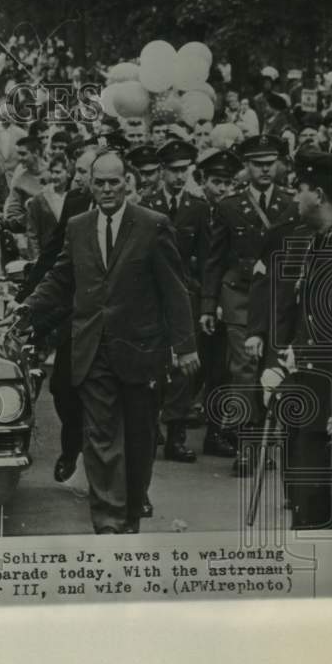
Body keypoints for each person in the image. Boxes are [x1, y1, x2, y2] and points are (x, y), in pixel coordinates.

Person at [15, 149, 199, 533]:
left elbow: (174, 290)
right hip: (92, 349)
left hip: (141, 350)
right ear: (91, 185)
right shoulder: (79, 226)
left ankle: (131, 510)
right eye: (100, 182)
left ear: (127, 183)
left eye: (115, 181)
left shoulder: (153, 225)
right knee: (99, 437)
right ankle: (109, 521)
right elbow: (61, 278)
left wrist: (185, 346)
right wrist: (27, 310)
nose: (107, 189)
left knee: (138, 440)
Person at [202, 133, 296, 473]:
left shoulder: (290, 204)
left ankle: (269, 442)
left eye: (270, 164)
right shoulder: (229, 206)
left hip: (278, 298)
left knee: (272, 368)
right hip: (239, 294)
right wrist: (208, 304)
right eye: (258, 164)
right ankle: (246, 445)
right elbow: (214, 260)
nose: (265, 170)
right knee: (243, 370)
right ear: (247, 167)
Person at [273, 149, 332, 529]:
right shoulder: (319, 240)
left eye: (298, 188)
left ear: (317, 193)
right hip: (311, 389)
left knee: (323, 509)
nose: (294, 197)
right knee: (308, 502)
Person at [141, 140, 210, 462]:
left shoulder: (198, 207)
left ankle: (177, 436)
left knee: (187, 365)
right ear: (162, 171)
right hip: (152, 296)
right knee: (154, 360)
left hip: (185, 294)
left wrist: (205, 297)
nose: (180, 177)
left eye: (185, 170)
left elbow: (208, 257)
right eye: (174, 171)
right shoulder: (146, 204)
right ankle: (151, 425)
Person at [193, 149, 240, 458]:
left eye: (227, 183)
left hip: (219, 299)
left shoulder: (234, 210)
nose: (222, 189)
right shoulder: (195, 210)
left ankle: (215, 430)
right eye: (216, 182)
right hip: (192, 294)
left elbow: (227, 260)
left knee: (218, 369)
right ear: (202, 181)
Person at [24, 154, 69, 260]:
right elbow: (32, 233)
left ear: (68, 173)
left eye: (58, 172)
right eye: (52, 172)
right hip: (47, 256)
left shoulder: (74, 196)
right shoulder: (40, 199)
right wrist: (36, 259)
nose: (54, 176)